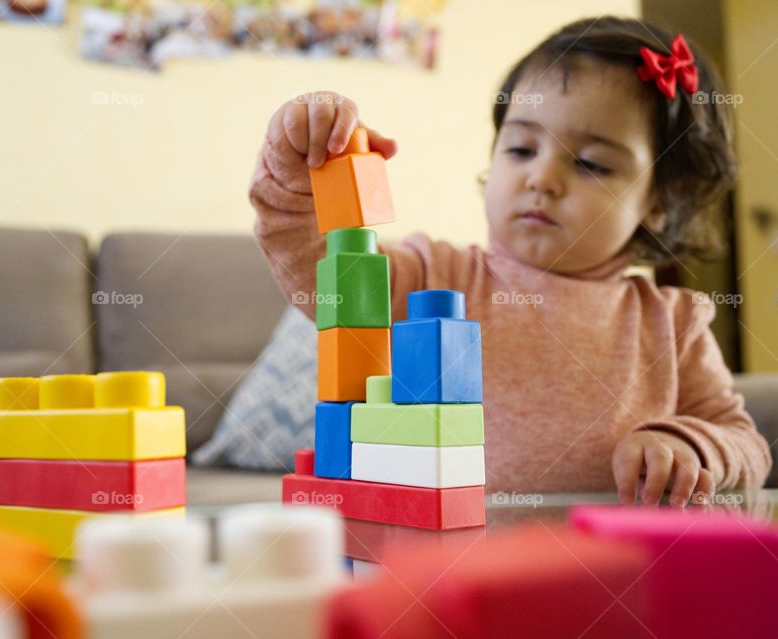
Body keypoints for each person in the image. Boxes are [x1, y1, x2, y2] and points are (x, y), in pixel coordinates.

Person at [248, 17, 772, 506]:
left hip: (608, 586)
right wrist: (294, 168)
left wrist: (687, 444)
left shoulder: (672, 322)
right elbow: (322, 273)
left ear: (658, 203)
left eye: (590, 163)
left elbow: (747, 446)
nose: (541, 178)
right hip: (439, 582)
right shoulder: (432, 278)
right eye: (521, 149)